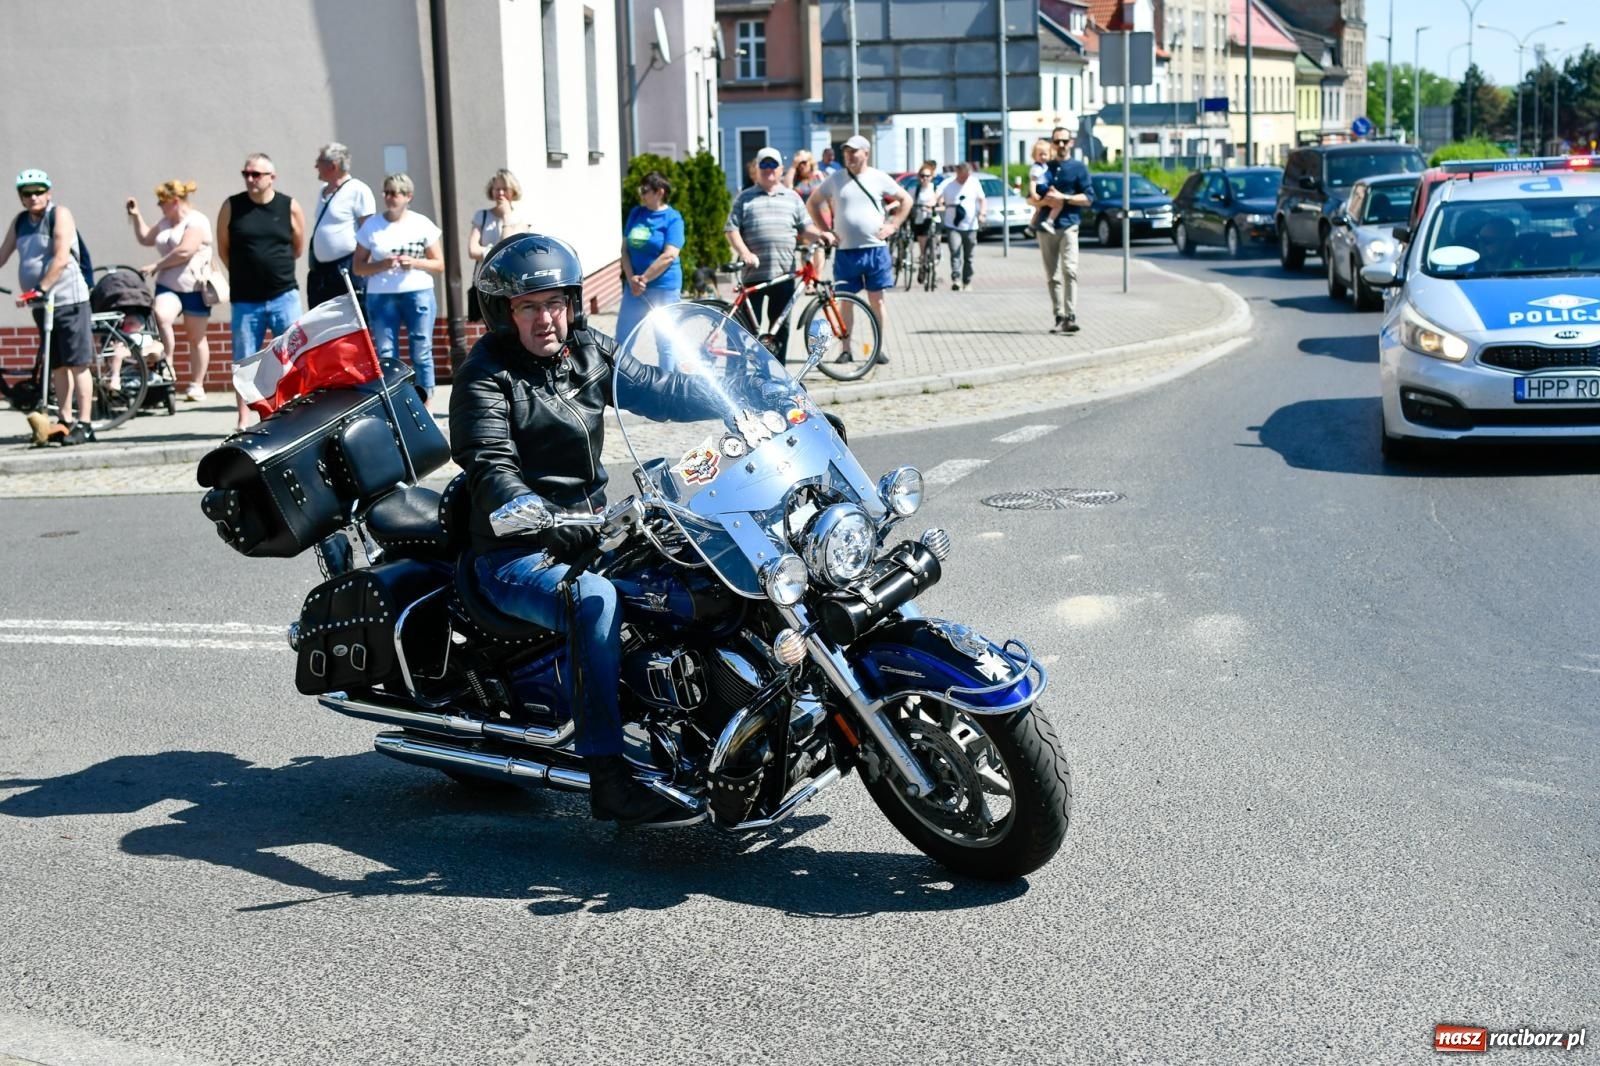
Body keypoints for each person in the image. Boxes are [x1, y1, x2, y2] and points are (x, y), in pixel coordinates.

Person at [451, 233, 722, 828]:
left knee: (696, 559)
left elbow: (659, 389)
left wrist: (749, 397)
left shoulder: (587, 350)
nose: (546, 319)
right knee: (596, 601)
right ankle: (609, 778)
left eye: (555, 303)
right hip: (516, 550)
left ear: (572, 303)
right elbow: (488, 462)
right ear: (504, 313)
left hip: (591, 532)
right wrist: (529, 508)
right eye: (529, 306)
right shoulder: (483, 376)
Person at [0, 169, 95, 443]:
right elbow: (4, 252)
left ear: (48, 192)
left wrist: (39, 288)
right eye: (27, 193)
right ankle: (64, 420)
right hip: (42, 304)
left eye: (38, 191)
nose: (33, 197)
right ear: (21, 197)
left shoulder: (59, 214)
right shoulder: (20, 222)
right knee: (57, 365)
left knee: (78, 363)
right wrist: (37, 294)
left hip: (68, 298)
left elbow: (62, 256)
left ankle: (85, 423)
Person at [218, 153, 304, 432]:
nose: (250, 179)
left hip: (283, 294)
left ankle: (294, 411)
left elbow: (298, 246)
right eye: (246, 174)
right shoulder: (232, 206)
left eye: (256, 174)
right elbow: (224, 248)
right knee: (244, 362)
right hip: (246, 300)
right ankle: (244, 418)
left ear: (271, 178)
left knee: (292, 356)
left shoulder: (288, 205)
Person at [724, 147, 836, 363]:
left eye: (772, 165)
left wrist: (823, 235)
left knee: (780, 330)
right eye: (763, 165)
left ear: (781, 169)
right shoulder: (744, 198)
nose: (768, 170)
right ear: (756, 169)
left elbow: (805, 228)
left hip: (784, 274)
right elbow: (731, 229)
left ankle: (777, 377)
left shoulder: (792, 197)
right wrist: (745, 253)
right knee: (743, 331)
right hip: (753, 275)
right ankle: (737, 377)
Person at [806, 134, 911, 363]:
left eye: (854, 151)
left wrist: (893, 225)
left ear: (866, 153)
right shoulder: (836, 179)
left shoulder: (878, 177)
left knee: (877, 300)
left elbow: (906, 200)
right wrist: (827, 230)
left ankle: (878, 348)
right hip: (846, 251)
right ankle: (846, 349)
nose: (849, 156)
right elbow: (813, 203)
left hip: (874, 249)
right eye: (846, 151)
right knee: (846, 301)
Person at [353, 173, 444, 404]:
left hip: (417, 291)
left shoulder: (421, 223)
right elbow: (358, 267)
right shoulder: (372, 225)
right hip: (381, 295)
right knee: (385, 353)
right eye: (386, 192)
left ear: (408, 196)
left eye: (395, 193)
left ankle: (426, 402)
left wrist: (414, 263)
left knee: (421, 349)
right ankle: (392, 403)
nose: (390, 198)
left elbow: (439, 264)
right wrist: (381, 264)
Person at [126, 179, 212, 402]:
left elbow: (185, 250)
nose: (160, 206)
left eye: (162, 202)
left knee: (196, 338)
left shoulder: (196, 221)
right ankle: (168, 364)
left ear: (174, 201)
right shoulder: (165, 222)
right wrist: (136, 216)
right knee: (161, 316)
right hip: (168, 285)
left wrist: (156, 265)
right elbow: (146, 238)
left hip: (194, 286)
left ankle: (197, 384)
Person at [1029, 128, 1093, 334]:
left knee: (1070, 270)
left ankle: (1071, 315)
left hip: (1069, 224)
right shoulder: (1044, 167)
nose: (1062, 145)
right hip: (1046, 228)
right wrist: (1041, 200)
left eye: (1065, 141)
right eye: (1057, 142)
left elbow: (1089, 198)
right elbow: (1030, 197)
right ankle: (1059, 316)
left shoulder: (1079, 168)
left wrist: (1064, 198)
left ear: (1071, 143)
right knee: (1053, 275)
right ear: (1053, 144)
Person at [616, 170, 684, 361]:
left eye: (645, 190)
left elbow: (670, 255)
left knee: (665, 343)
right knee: (622, 341)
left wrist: (644, 279)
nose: (641, 194)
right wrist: (631, 280)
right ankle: (618, 385)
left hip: (664, 289)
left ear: (659, 192)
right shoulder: (636, 213)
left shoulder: (673, 218)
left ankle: (666, 387)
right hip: (634, 289)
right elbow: (624, 250)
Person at [306, 142, 376, 309]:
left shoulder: (357, 190)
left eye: (319, 161)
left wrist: (363, 269)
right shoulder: (323, 190)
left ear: (333, 165)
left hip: (346, 268)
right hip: (321, 271)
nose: (316, 166)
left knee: (352, 319)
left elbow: (369, 232)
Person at [937, 161, 986, 292]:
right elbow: (937, 195)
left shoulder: (974, 182)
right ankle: (956, 279)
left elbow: (982, 199)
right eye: (963, 176)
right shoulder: (948, 183)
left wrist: (982, 213)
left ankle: (967, 281)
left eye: (968, 176)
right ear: (958, 173)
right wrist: (937, 201)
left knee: (969, 256)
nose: (965, 179)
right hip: (952, 225)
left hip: (971, 225)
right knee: (955, 251)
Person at [908, 162, 941, 283]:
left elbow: (940, 202)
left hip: (933, 219)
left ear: (931, 176)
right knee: (922, 249)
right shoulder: (915, 190)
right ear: (918, 176)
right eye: (922, 175)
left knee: (935, 244)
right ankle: (922, 267)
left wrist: (933, 205)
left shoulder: (936, 189)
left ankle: (935, 267)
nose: (924, 178)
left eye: (927, 176)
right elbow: (907, 201)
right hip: (920, 220)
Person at [1024, 139, 1061, 237]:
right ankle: (1049, 221)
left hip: (1043, 187)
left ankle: (1031, 226)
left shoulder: (1045, 166)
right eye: (1040, 155)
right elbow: (1032, 181)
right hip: (1040, 189)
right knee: (1058, 204)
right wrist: (1033, 193)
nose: (1043, 157)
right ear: (1034, 156)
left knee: (1038, 209)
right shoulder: (1036, 167)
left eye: (1045, 154)